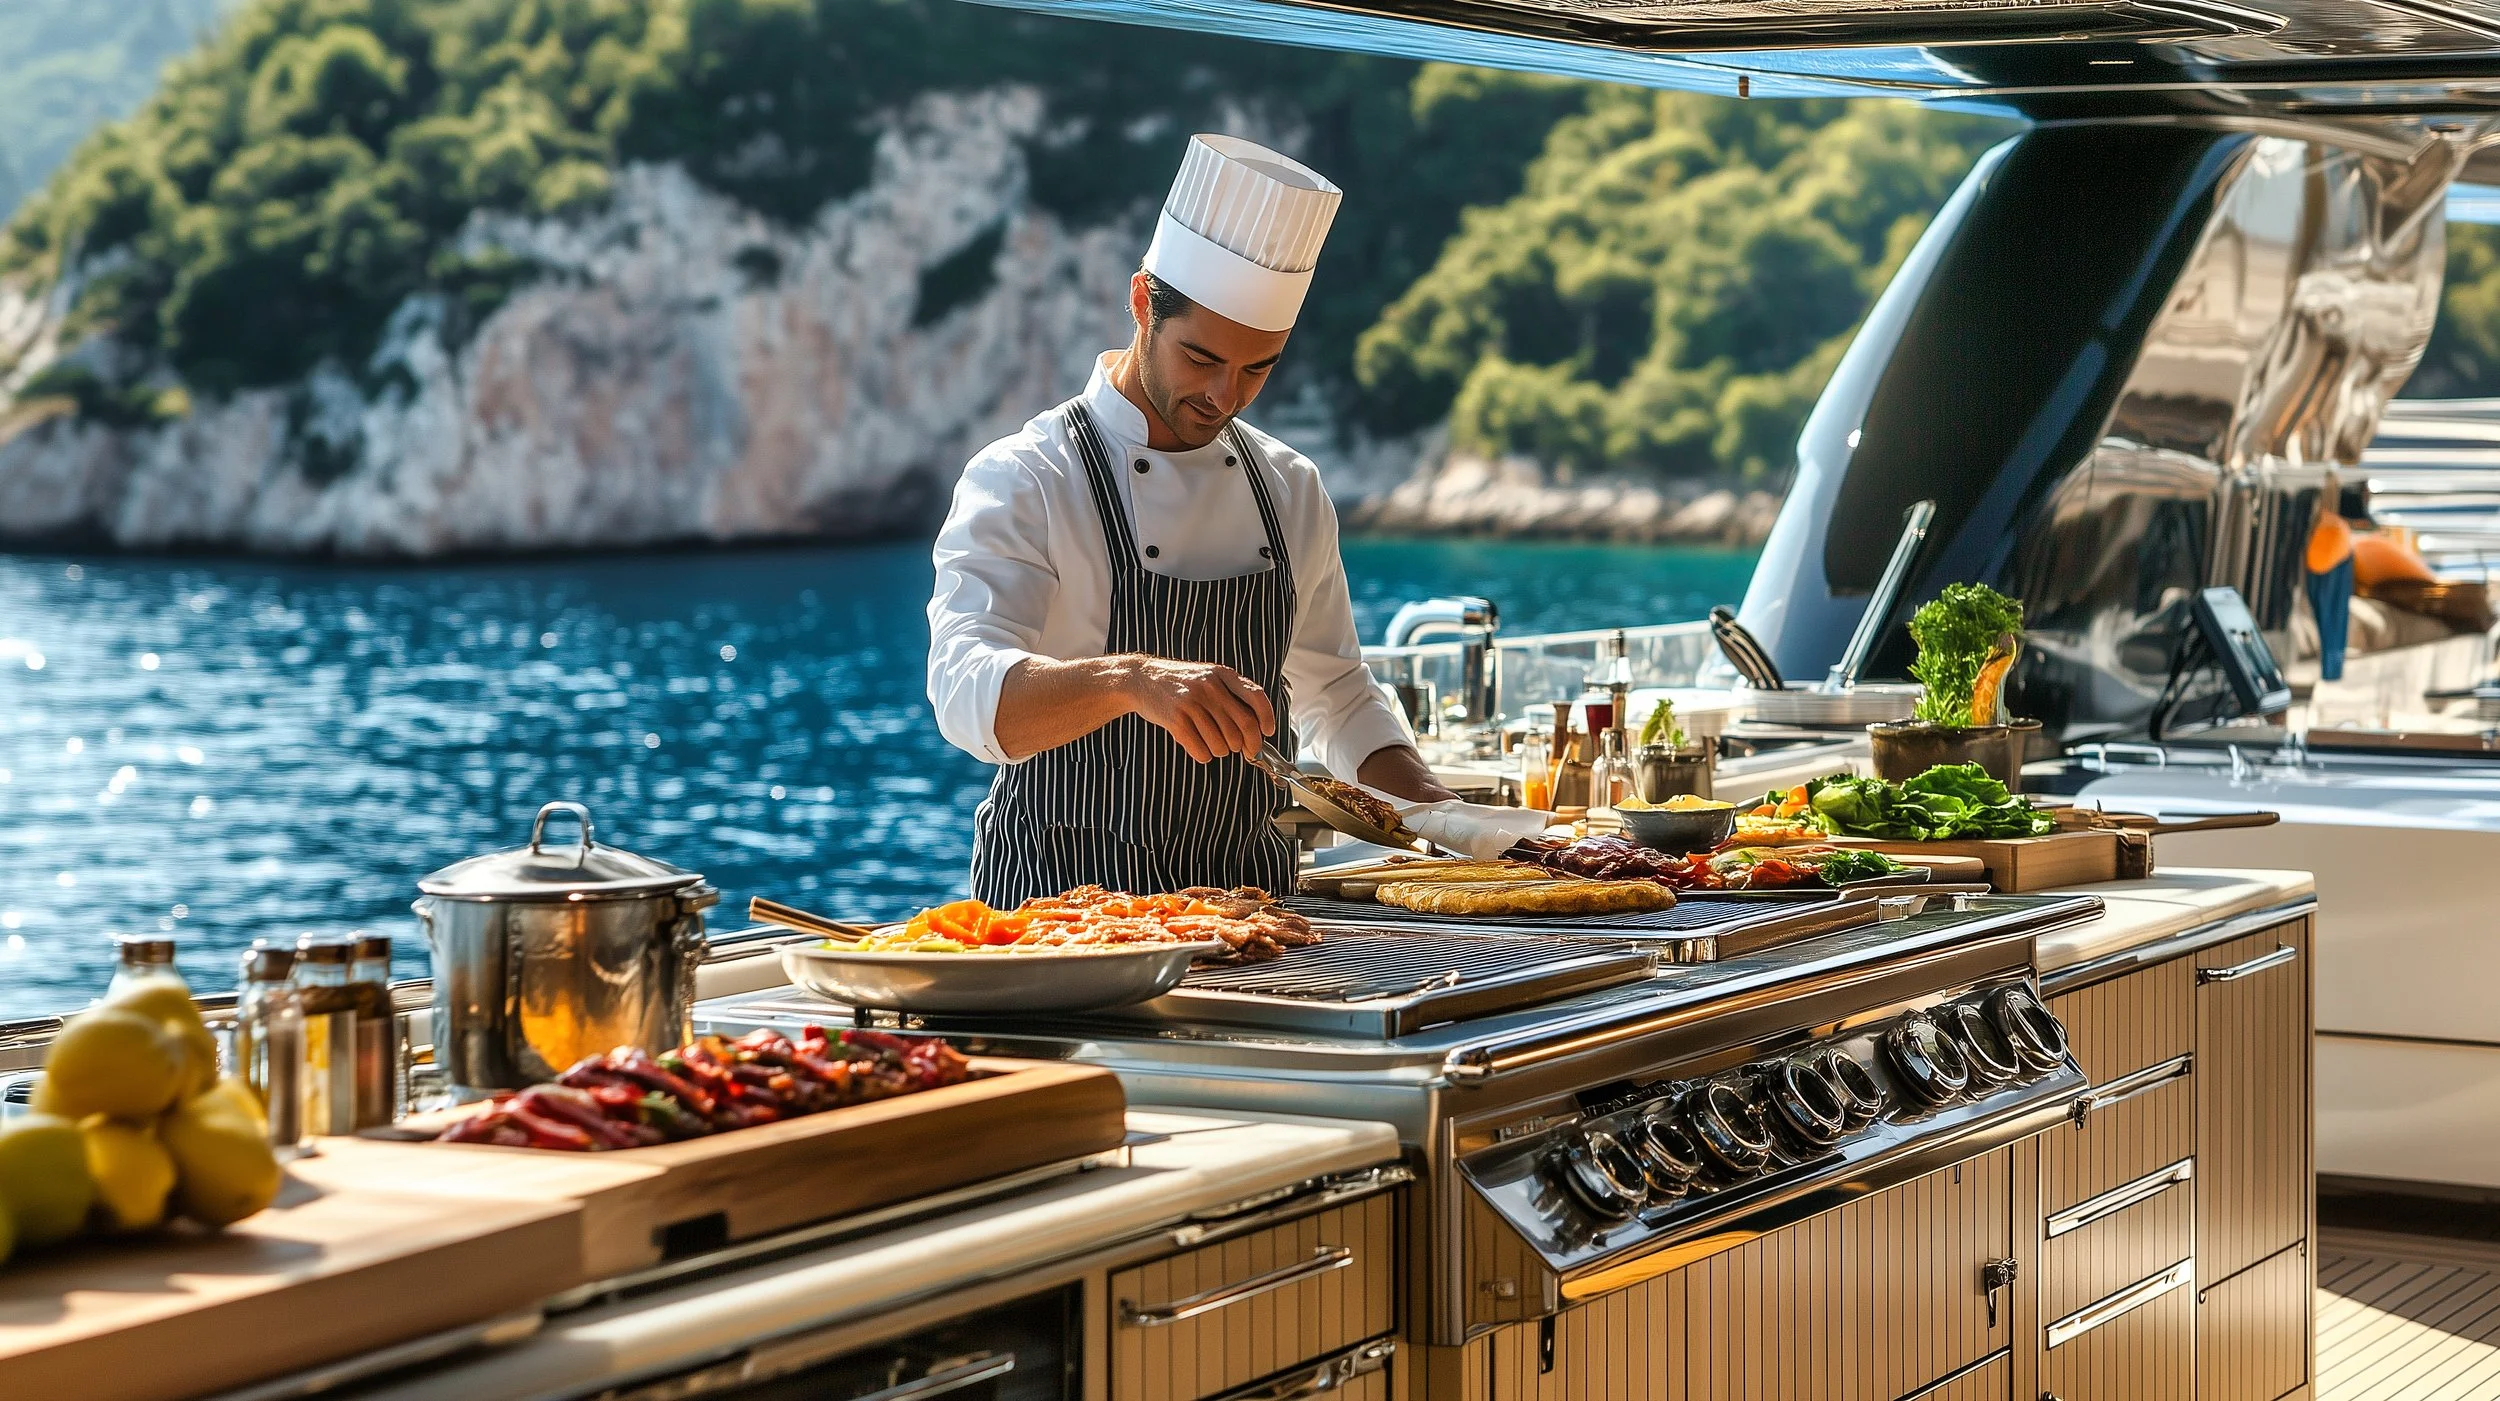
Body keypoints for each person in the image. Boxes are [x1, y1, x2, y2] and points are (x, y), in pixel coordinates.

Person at [928, 133, 1456, 906]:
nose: (1225, 395)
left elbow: (1336, 694)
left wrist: (1446, 817)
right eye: (1202, 358)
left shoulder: (1289, 487)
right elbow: (965, 695)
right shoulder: (1028, 476)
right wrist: (1132, 680)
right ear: (1142, 302)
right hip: (1060, 918)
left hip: (1253, 913)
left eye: (1257, 368)